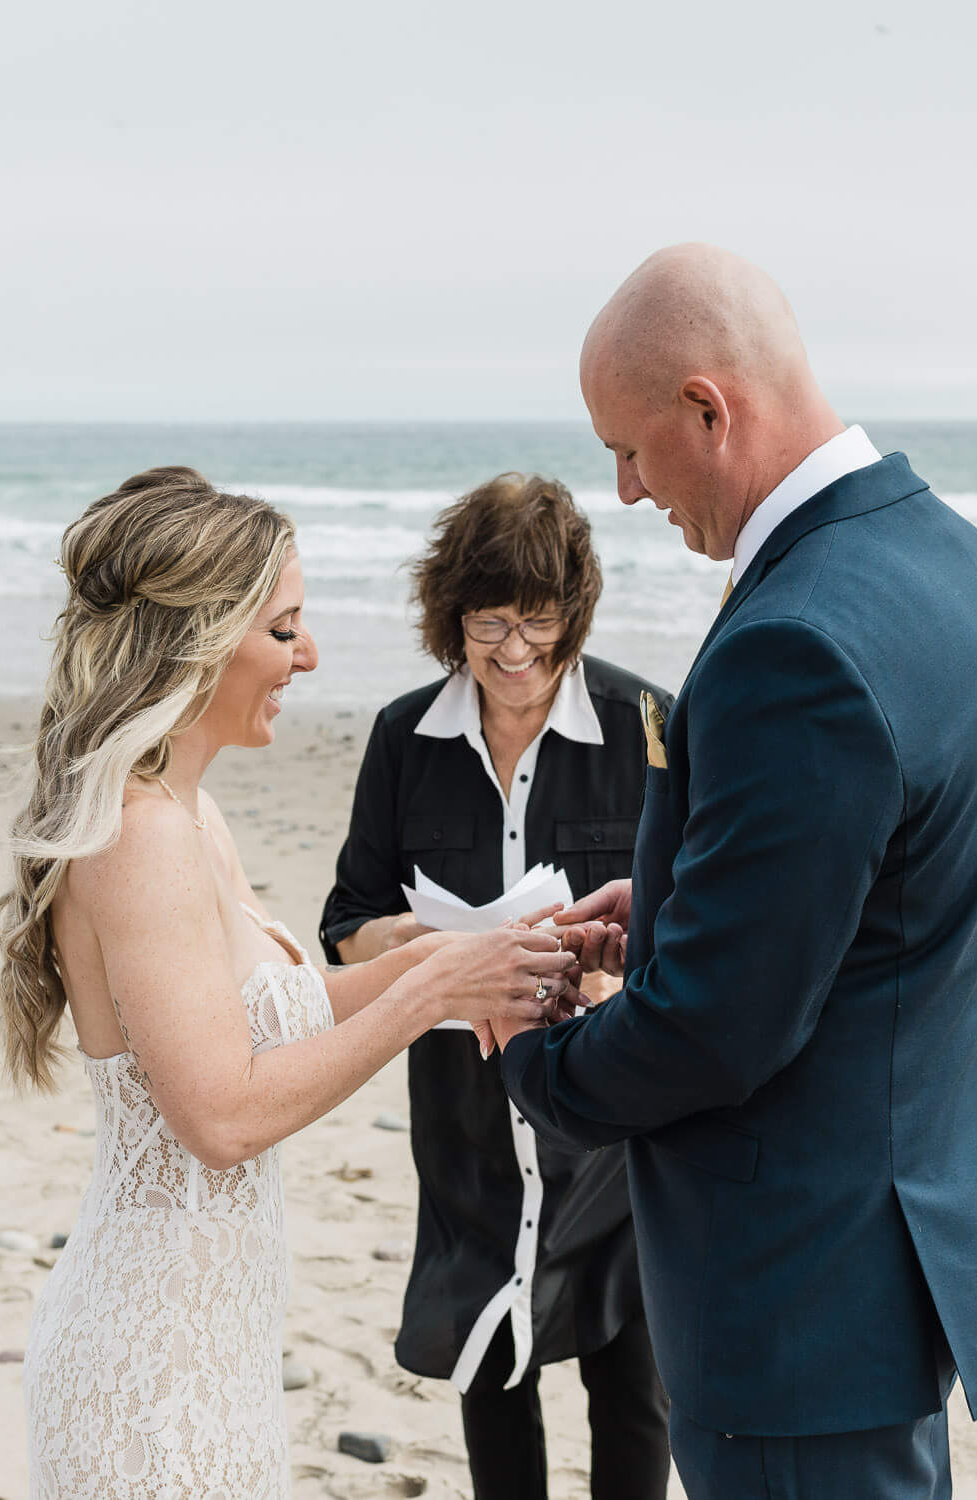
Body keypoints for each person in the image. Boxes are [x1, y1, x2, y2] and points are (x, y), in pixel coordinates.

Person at [497, 246, 977, 1499]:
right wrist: (693, 901)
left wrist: (525, 1047)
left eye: (632, 449)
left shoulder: (793, 638)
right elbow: (890, 882)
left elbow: (710, 1036)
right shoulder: (950, 561)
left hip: (792, 1293)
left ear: (709, 406)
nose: (627, 490)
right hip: (899, 1243)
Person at [0, 467, 584, 1500]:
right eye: (284, 630)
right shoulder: (140, 836)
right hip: (151, 1368)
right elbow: (220, 1117)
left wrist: (467, 967)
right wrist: (421, 997)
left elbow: (286, 1007)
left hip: (213, 1348)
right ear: (202, 636)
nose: (307, 657)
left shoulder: (189, 815)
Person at [319, 473, 673, 1500]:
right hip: (465, 1117)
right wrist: (433, 950)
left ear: (575, 613)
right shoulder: (402, 739)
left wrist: (617, 972)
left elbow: (705, 925)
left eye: (538, 624)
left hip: (614, 1119)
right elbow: (345, 928)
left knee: (632, 1383)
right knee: (488, 1367)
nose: (514, 654)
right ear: (450, 619)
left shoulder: (651, 723)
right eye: (487, 626)